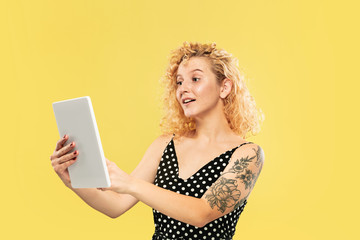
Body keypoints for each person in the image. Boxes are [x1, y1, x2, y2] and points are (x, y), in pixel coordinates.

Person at [50, 42, 265, 240]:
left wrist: (131, 184)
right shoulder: (165, 145)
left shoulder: (248, 154)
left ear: (224, 87)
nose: (183, 88)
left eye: (195, 79)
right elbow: (116, 205)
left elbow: (202, 212)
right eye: (179, 82)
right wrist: (73, 181)